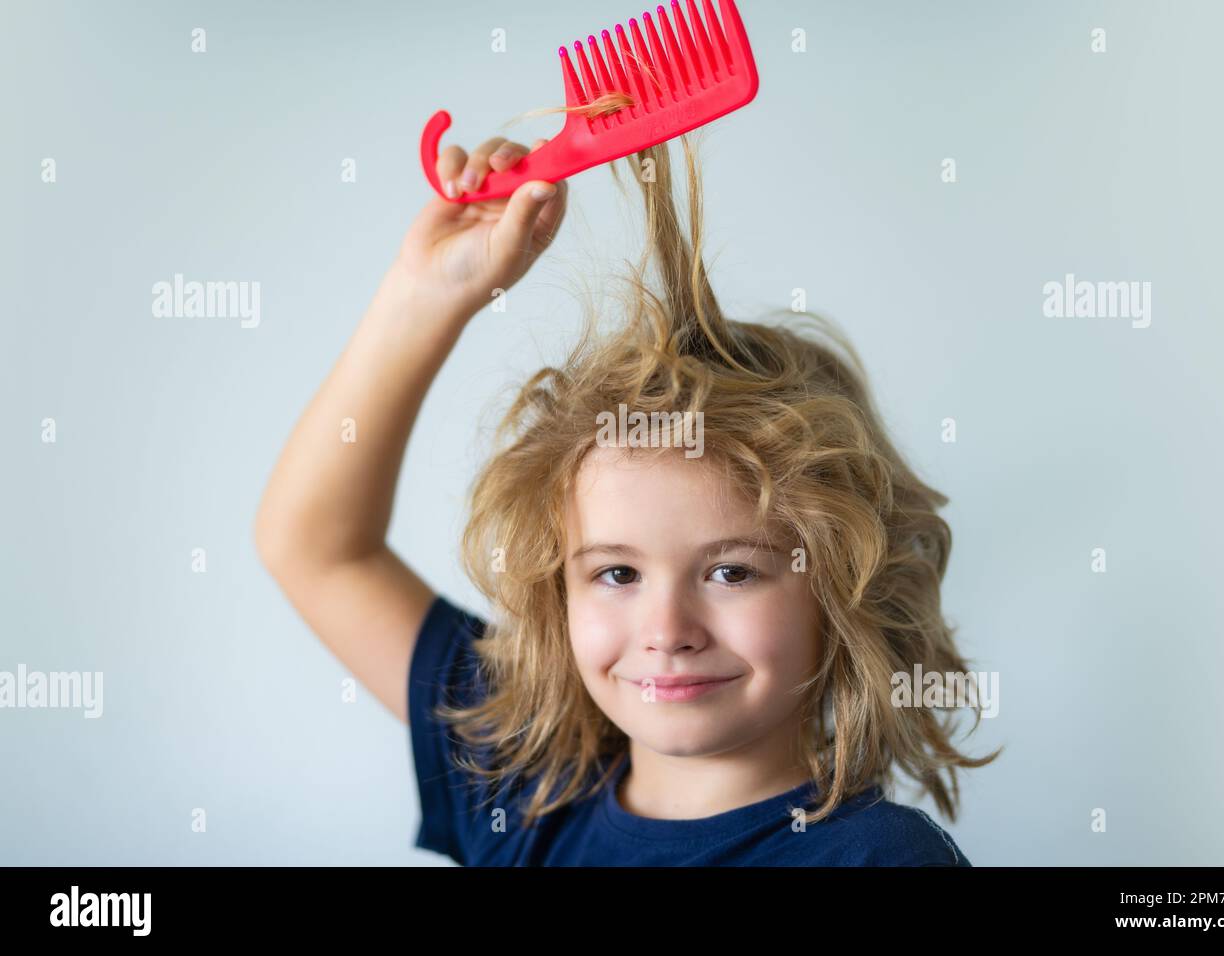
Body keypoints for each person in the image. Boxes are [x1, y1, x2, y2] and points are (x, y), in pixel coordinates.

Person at [255, 124, 999, 866]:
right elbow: (316, 548)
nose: (667, 630)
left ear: (841, 587)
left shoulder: (875, 858)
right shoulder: (524, 784)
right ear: (561, 593)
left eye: (731, 572)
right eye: (617, 573)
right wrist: (427, 295)